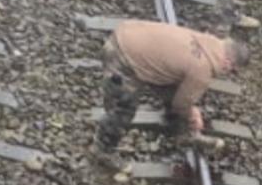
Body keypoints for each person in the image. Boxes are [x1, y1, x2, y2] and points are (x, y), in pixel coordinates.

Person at [95, 20, 249, 170]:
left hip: (127, 32)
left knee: (172, 88)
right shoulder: (202, 69)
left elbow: (176, 89)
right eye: (232, 71)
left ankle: (182, 134)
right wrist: (191, 113)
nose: (228, 73)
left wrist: (190, 108)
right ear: (228, 63)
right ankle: (104, 151)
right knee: (124, 108)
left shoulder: (206, 42)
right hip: (121, 56)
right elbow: (181, 104)